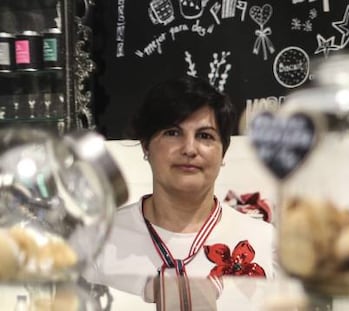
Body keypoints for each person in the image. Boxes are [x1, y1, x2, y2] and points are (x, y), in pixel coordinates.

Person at [82, 76, 277, 308]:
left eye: (205, 136)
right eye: (173, 133)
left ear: (223, 153)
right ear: (146, 145)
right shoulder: (97, 243)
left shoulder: (265, 242)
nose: (189, 149)